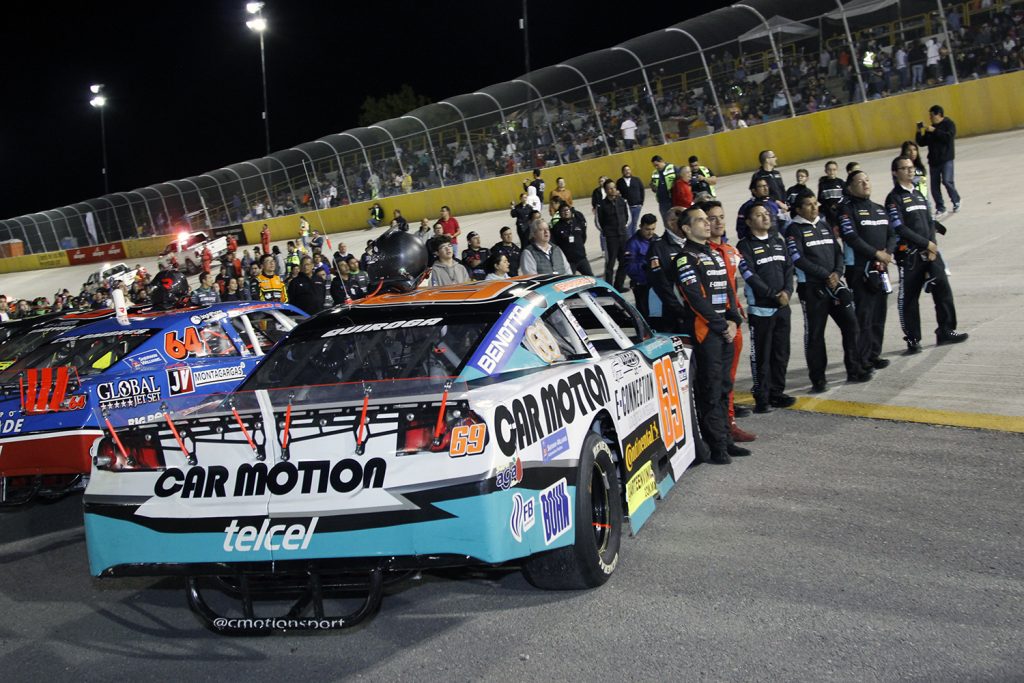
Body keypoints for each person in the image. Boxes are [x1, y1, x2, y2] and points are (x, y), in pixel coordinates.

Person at [672, 206, 748, 464]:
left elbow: (728, 289)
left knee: (725, 387)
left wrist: (734, 320)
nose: (708, 224)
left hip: (724, 329)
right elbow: (694, 299)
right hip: (707, 333)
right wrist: (721, 325)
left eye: (708, 220)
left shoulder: (714, 255)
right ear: (686, 228)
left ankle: (726, 440)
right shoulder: (685, 258)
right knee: (711, 390)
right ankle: (716, 447)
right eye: (701, 221)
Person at [786, 188, 870, 390]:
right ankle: (818, 379)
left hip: (835, 285)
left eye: (816, 203)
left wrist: (837, 274)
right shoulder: (793, 230)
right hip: (813, 290)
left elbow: (838, 253)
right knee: (815, 335)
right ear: (798, 209)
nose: (815, 207)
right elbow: (798, 259)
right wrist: (825, 275)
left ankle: (854, 369)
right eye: (809, 204)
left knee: (851, 325)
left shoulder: (824, 225)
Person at [886, 156, 969, 352]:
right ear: (895, 172)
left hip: (931, 252)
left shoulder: (919, 195)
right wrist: (926, 244)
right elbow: (899, 228)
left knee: (943, 290)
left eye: (911, 167)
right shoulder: (893, 198)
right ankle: (913, 339)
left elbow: (930, 223)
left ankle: (946, 330)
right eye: (904, 168)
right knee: (910, 298)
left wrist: (933, 246)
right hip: (910, 255)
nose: (910, 171)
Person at [736, 202, 795, 413]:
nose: (765, 217)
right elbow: (750, 275)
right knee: (762, 356)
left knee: (781, 353)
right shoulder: (744, 246)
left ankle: (777, 393)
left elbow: (789, 269)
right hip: (761, 311)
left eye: (767, 214)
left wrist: (787, 292)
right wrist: (772, 295)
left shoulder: (778, 241)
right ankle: (762, 397)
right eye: (759, 215)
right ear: (750, 222)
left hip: (782, 307)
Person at [704, 200, 755, 437]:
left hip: (735, 321)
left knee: (731, 376)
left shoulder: (732, 252)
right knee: (717, 380)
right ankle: (721, 426)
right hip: (713, 326)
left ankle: (730, 421)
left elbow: (746, 279)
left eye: (721, 217)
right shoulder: (700, 255)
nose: (718, 222)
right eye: (712, 218)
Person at [839, 171, 897, 372]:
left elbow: (893, 234)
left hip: (881, 270)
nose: (865, 184)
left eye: (867, 180)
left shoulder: (880, 210)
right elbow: (851, 237)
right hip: (859, 271)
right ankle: (861, 360)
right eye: (860, 182)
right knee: (863, 316)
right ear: (850, 187)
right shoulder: (847, 211)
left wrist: (887, 253)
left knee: (879, 314)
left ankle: (874, 354)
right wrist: (876, 254)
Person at [915, 105, 960, 215]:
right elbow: (921, 143)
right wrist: (918, 131)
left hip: (946, 159)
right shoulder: (930, 128)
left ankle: (956, 201)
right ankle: (940, 207)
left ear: (939, 114)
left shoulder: (948, 124)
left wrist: (935, 130)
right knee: (934, 186)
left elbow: (948, 137)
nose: (930, 118)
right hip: (934, 161)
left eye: (931, 116)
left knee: (947, 181)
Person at [596, 179, 629, 291]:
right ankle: (608, 288)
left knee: (624, 261)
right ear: (605, 190)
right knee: (610, 263)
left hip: (623, 235)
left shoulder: (622, 201)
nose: (613, 190)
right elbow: (598, 222)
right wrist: (606, 232)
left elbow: (627, 216)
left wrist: (624, 227)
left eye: (614, 187)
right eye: (610, 188)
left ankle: (618, 286)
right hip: (611, 237)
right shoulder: (601, 205)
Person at [624, 214, 657, 319]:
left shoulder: (656, 239)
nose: (650, 232)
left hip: (655, 284)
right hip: (642, 286)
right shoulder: (632, 244)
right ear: (640, 226)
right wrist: (644, 266)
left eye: (653, 229)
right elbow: (628, 267)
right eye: (647, 229)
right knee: (645, 316)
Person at [551, 203, 592, 276]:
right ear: (560, 214)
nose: (566, 212)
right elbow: (555, 244)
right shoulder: (557, 227)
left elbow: (583, 237)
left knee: (591, 278)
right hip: (568, 261)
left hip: (581, 258)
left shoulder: (577, 222)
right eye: (563, 211)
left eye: (567, 210)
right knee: (569, 281)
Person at [616, 164, 646, 238]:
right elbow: (617, 194)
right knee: (628, 224)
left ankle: (634, 239)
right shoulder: (619, 182)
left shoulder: (637, 180)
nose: (627, 171)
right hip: (626, 207)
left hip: (637, 206)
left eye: (628, 170)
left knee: (634, 223)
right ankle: (629, 239)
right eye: (625, 170)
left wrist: (641, 202)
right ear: (622, 172)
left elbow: (642, 190)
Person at [817, 160, 846, 230]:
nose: (832, 172)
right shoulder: (823, 184)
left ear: (837, 170)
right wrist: (828, 205)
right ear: (826, 171)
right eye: (829, 170)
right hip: (828, 211)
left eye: (834, 170)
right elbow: (820, 198)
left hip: (840, 209)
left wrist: (837, 205)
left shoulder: (840, 182)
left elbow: (845, 196)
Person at [650, 155, 679, 223]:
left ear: (662, 161)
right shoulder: (654, 173)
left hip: (673, 200)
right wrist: (653, 187)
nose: (656, 167)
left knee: (677, 221)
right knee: (666, 222)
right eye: (654, 166)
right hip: (662, 202)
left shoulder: (673, 168)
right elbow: (653, 186)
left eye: (657, 165)